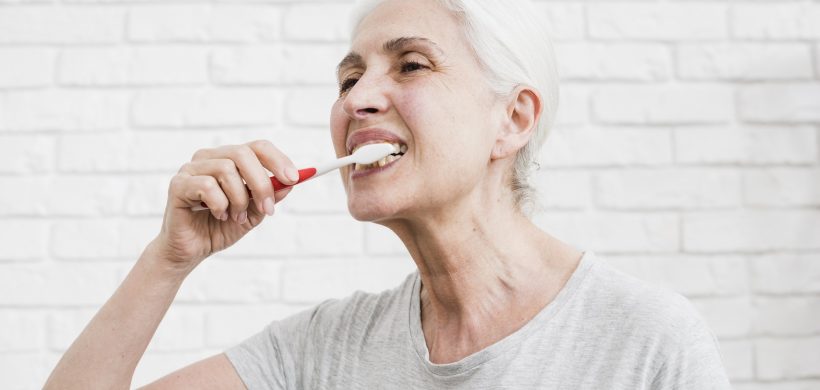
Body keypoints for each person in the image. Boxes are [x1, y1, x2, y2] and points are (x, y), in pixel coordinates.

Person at [44, 0, 733, 388]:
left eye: (410, 65)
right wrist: (169, 259)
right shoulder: (323, 352)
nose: (359, 98)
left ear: (513, 119)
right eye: (348, 79)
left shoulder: (646, 344)